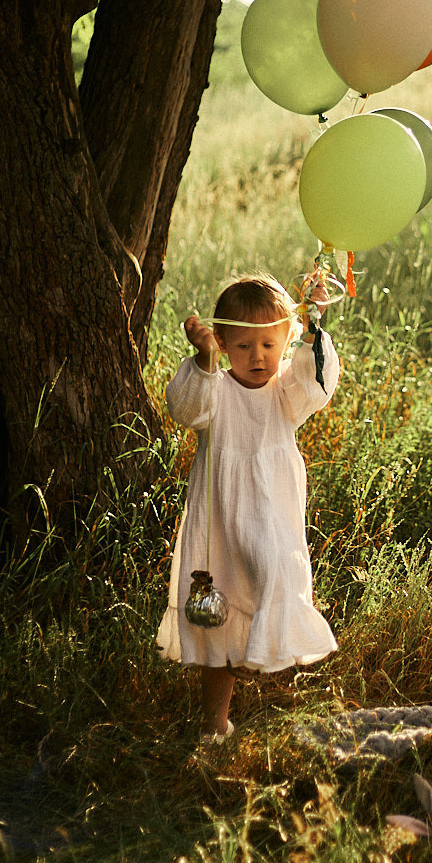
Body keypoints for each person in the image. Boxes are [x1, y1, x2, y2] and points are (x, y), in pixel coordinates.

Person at [157, 272, 339, 745]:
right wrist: (202, 359)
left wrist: (316, 321)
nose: (257, 357)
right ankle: (214, 721)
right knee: (217, 621)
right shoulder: (215, 390)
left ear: (286, 340)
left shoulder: (284, 392)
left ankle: (271, 669)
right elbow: (184, 407)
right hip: (222, 520)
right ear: (222, 342)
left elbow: (316, 383)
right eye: (242, 347)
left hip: (272, 516)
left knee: (275, 576)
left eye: (268, 344)